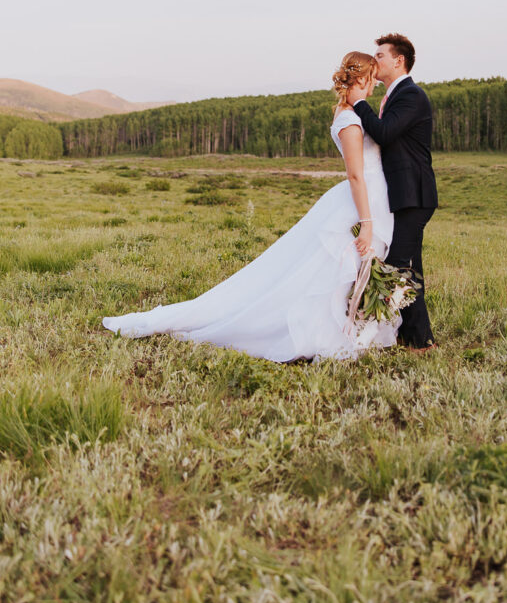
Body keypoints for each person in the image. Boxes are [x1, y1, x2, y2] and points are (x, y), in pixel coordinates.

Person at [102, 52, 399, 362]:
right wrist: (366, 222)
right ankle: (324, 331)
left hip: (369, 197)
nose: (373, 87)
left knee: (338, 270)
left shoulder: (349, 112)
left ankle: (352, 326)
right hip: (360, 202)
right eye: (371, 81)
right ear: (361, 79)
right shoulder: (350, 120)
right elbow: (355, 175)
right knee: (328, 273)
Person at [347, 33, 438, 351]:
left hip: (414, 194)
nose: (375, 60)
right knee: (409, 267)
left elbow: (385, 133)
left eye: (380, 56)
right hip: (403, 193)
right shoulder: (395, 95)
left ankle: (366, 334)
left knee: (397, 265)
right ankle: (418, 338)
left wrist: (359, 102)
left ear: (399, 61)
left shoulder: (411, 95)